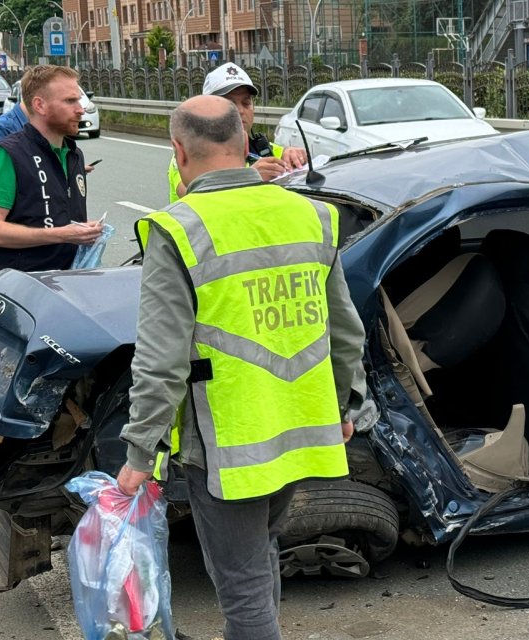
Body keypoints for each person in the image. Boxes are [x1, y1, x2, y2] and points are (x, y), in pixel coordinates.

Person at [117, 95, 366, 640]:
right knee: (259, 559)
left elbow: (160, 359)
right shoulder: (312, 214)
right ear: (242, 142)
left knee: (243, 587)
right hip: (300, 431)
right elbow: (345, 330)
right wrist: (348, 406)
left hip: (226, 443)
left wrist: (139, 452)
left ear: (179, 151)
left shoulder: (178, 228)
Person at [0, 65, 102, 277]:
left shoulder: (73, 154)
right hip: (24, 289)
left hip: (71, 284)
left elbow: (58, 219)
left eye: (79, 100)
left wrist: (82, 232)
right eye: (70, 101)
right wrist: (61, 235)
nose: (80, 109)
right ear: (40, 105)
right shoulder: (7, 154)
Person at [166, 63, 308, 202]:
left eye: (246, 103)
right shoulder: (189, 155)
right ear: (206, 107)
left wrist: (293, 156)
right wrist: (249, 177)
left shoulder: (262, 149)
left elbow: (283, 156)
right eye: (230, 104)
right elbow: (195, 197)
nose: (240, 110)